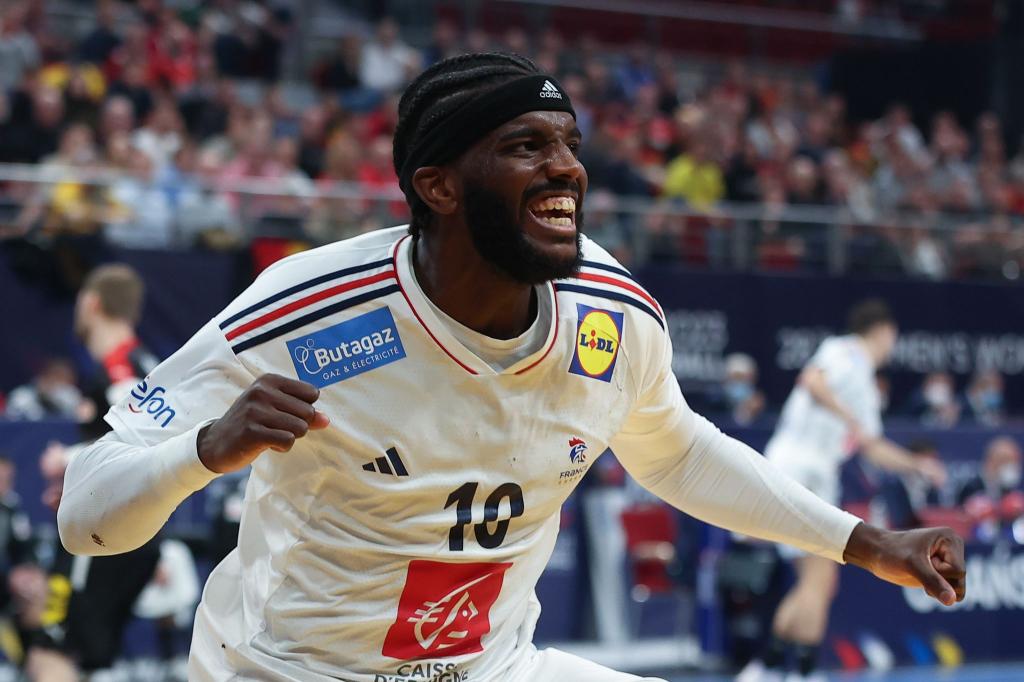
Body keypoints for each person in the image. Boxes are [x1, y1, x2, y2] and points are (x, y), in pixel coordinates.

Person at [58, 54, 965, 682]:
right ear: (438, 186)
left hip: (493, 667)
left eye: (567, 144)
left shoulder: (613, 315)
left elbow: (676, 453)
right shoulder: (306, 310)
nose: (566, 169)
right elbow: (86, 518)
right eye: (527, 146)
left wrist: (862, 542)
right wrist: (204, 452)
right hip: (294, 669)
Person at [738, 299, 949, 682]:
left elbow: (872, 446)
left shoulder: (866, 384)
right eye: (893, 337)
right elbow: (813, 381)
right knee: (821, 578)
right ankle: (801, 671)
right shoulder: (844, 350)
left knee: (814, 580)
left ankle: (767, 668)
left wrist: (918, 465)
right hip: (800, 469)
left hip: (811, 476)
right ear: (883, 331)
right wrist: (847, 416)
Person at [21, 265, 162, 681]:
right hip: (123, 530)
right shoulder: (140, 363)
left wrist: (68, 459)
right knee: (86, 657)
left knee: (52, 651)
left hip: (101, 536)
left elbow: (146, 441)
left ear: (91, 303)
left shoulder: (122, 371)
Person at [881, 440, 945, 530]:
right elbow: (899, 519)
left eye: (933, 459)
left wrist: (936, 488)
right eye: (926, 459)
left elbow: (938, 516)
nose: (931, 465)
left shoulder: (930, 486)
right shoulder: (893, 484)